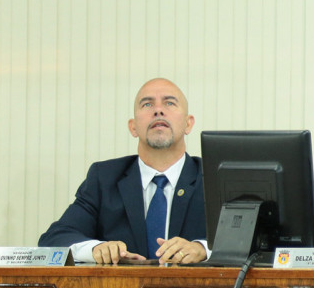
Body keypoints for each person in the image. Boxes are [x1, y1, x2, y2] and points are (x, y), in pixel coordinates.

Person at [39, 78, 208, 264]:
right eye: (147, 104)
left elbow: (236, 241)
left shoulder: (211, 178)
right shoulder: (104, 178)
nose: (158, 110)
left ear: (188, 124)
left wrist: (203, 249)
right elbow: (54, 239)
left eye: (169, 103)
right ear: (133, 127)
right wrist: (95, 249)